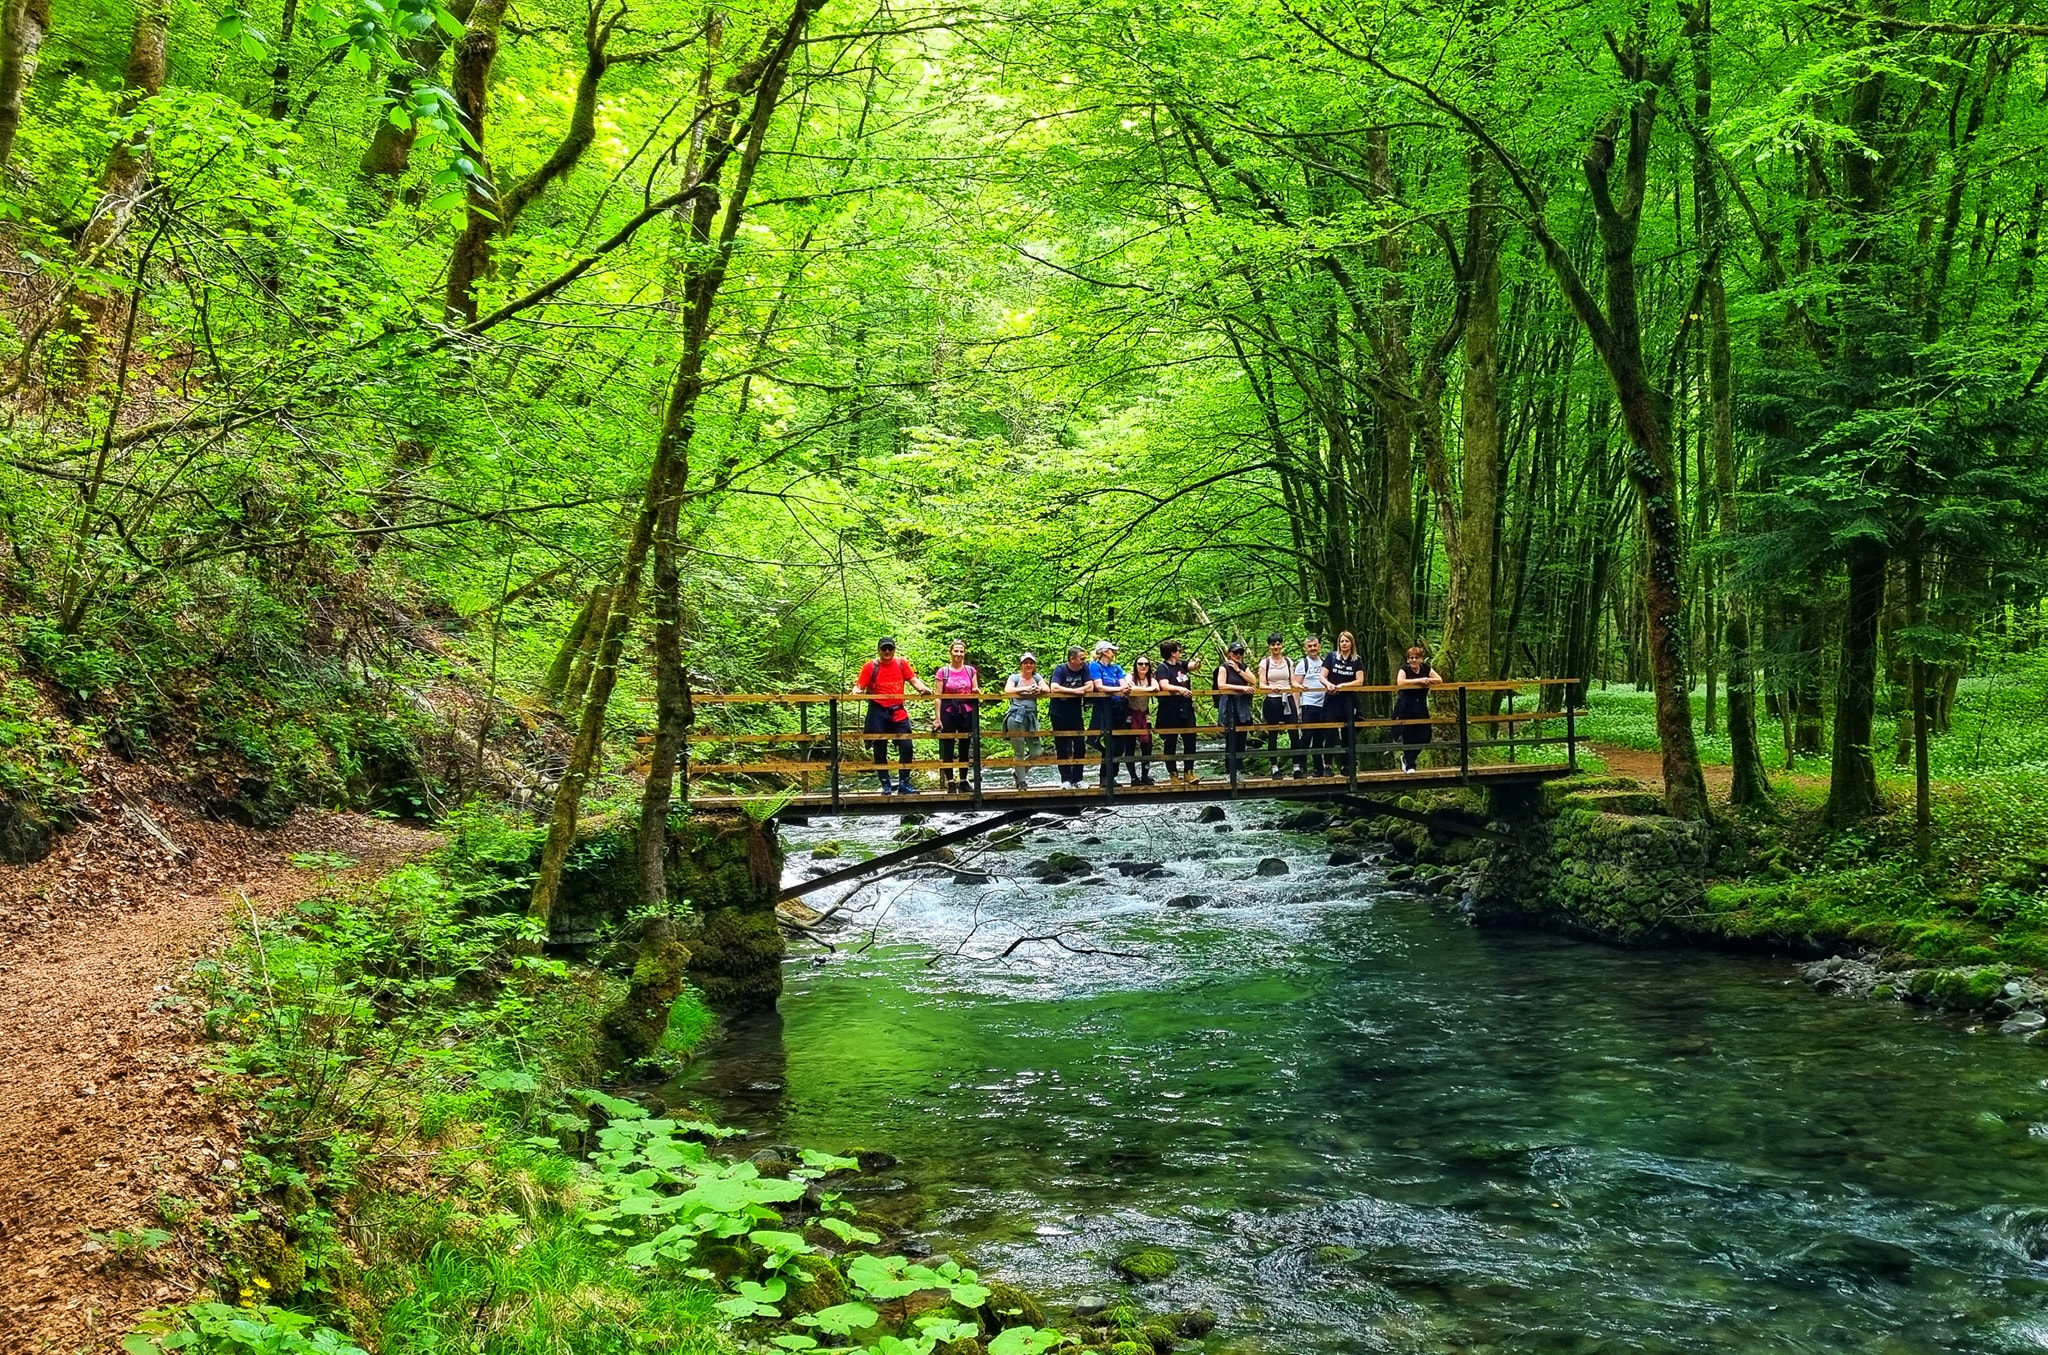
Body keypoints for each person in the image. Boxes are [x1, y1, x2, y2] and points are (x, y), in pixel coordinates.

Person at [856, 637, 931, 794]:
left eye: (890, 648)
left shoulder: (901, 664)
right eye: (884, 649)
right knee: (879, 749)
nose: (887, 652)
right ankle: (885, 784)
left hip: (897, 711)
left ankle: (904, 782)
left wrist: (923, 689)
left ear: (894, 649)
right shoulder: (871, 667)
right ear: (879, 650)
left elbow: (913, 679)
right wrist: (856, 692)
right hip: (878, 711)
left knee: (907, 745)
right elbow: (859, 686)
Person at [932, 639, 980, 794]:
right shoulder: (943, 672)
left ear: (964, 653)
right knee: (948, 746)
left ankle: (964, 781)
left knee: (965, 746)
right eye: (956, 651)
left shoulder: (970, 671)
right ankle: (951, 782)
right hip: (948, 711)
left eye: (961, 651)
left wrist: (977, 692)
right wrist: (937, 718)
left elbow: (974, 688)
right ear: (951, 652)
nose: (958, 654)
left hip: (966, 711)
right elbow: (938, 696)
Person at [1392, 643, 1444, 773]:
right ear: (1408, 659)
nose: (1414, 660)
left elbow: (1439, 680)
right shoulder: (1405, 669)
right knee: (1409, 735)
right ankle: (1410, 765)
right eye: (1411, 658)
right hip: (1406, 705)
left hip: (1420, 705)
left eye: (1416, 657)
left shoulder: (1426, 668)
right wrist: (1419, 681)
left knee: (1425, 735)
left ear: (1421, 659)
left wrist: (1428, 680)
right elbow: (1400, 682)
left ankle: (1407, 758)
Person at [1086, 640, 1131, 788]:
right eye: (1112, 650)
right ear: (1105, 652)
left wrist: (1121, 689)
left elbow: (1124, 683)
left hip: (1119, 707)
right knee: (1109, 743)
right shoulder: (1095, 666)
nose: (1114, 653)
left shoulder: (1116, 668)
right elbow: (1099, 686)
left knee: (1119, 746)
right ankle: (1105, 777)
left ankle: (1112, 776)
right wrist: (1117, 690)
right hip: (1104, 708)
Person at [1321, 631, 1366, 776]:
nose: (1344, 644)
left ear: (1351, 643)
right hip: (1332, 700)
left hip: (1348, 700)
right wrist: (1329, 685)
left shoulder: (1356, 660)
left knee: (1348, 733)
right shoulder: (1331, 657)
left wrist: (1343, 686)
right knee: (1330, 733)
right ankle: (1327, 765)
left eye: (1347, 641)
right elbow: (1322, 676)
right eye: (1342, 641)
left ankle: (1346, 765)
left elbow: (1359, 681)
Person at [1048, 645, 1093, 787]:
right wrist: (1077, 692)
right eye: (1081, 658)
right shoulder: (1060, 669)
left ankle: (1078, 779)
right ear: (1072, 659)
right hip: (1058, 712)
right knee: (1062, 745)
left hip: (1075, 712)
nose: (1084, 661)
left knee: (1080, 744)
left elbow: (1090, 686)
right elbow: (1054, 687)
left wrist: (1070, 691)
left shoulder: (1084, 668)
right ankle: (1065, 779)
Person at [1155, 640, 1198, 785]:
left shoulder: (1181, 664)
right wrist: (1181, 689)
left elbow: (1193, 666)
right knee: (1170, 742)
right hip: (1170, 709)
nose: (1180, 652)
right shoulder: (1163, 668)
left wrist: (1197, 662)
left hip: (1186, 708)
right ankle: (1173, 774)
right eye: (1178, 650)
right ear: (1173, 653)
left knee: (1190, 739)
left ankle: (1189, 772)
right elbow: (1164, 685)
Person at [1256, 632, 1300, 778]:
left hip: (1287, 697)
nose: (1276, 646)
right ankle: (1274, 768)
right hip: (1272, 699)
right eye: (1273, 644)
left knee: (1294, 731)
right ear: (1269, 646)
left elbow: (1292, 681)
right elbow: (1262, 684)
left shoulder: (1288, 661)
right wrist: (1271, 688)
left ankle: (1296, 767)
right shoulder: (1265, 663)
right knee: (1273, 733)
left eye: (1278, 643)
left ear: (1282, 645)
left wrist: (1300, 686)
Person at [1002, 653, 1048, 790]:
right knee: (1019, 752)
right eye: (1025, 662)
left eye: (1031, 663)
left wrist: (1039, 689)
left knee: (1037, 752)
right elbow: (1008, 690)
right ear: (1021, 664)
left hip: (1031, 717)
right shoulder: (1015, 677)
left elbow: (1048, 688)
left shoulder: (1036, 677)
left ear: (1034, 665)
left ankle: (1018, 773)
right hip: (1016, 716)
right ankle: (1022, 782)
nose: (1028, 665)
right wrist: (1026, 689)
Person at [1213, 641, 1255, 781]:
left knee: (1242, 738)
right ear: (1229, 654)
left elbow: (1253, 680)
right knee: (1231, 738)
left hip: (1242, 706)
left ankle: (1239, 769)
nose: (1238, 655)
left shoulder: (1243, 667)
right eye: (1235, 653)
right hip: (1229, 706)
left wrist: (1238, 670)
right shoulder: (1223, 667)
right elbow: (1221, 685)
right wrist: (1241, 688)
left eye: (1240, 653)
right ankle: (1229, 771)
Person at [1294, 634, 1331, 778]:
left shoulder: (1324, 662)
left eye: (1315, 645)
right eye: (1310, 646)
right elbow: (1296, 686)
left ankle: (1318, 769)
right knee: (1307, 736)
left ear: (1319, 646)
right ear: (1305, 648)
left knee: (1319, 738)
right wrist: (1298, 709)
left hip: (1323, 704)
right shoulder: (1303, 663)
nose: (1313, 648)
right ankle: (1301, 767)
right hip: (1309, 704)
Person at [1125, 654, 1159, 785]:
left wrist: (1146, 689)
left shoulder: (1151, 679)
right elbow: (1129, 687)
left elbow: (1156, 688)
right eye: (1140, 664)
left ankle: (1145, 775)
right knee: (1130, 747)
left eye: (1146, 664)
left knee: (1147, 746)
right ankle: (1133, 777)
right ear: (1136, 665)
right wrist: (1147, 689)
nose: (1143, 666)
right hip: (1130, 715)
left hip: (1145, 715)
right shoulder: (1130, 676)